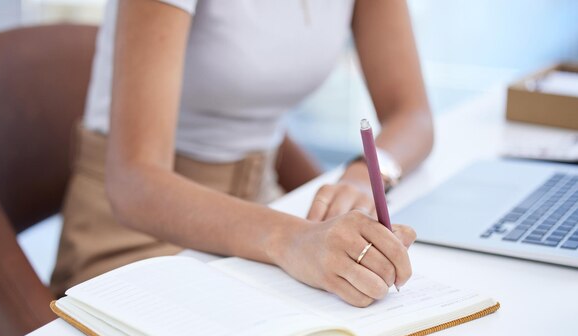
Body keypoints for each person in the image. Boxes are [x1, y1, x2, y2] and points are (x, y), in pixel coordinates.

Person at [51, 0, 433, 307]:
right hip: (138, 232)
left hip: (263, 210)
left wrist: (364, 176)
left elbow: (413, 114)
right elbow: (134, 183)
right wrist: (293, 241)